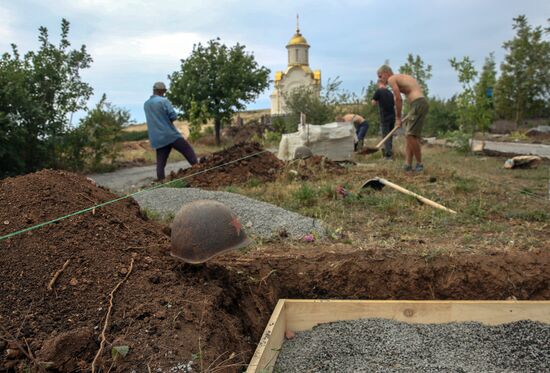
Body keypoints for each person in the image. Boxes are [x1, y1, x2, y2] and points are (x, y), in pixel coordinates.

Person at [377, 65, 429, 171]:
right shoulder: (401, 77)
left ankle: (419, 164)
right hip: (417, 104)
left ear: (386, 73)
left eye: (380, 76)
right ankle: (408, 164)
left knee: (411, 135)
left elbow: (398, 99)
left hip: (418, 103)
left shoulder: (392, 79)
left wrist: (398, 118)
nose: (380, 79)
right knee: (409, 136)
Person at [144, 82, 198, 180]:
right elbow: (173, 116)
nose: (164, 93)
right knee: (188, 151)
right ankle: (200, 171)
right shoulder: (163, 101)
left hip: (157, 139)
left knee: (160, 164)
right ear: (160, 90)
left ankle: (161, 183)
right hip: (170, 135)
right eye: (164, 91)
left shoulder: (146, 104)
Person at [371, 79, 396, 160]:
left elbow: (373, 103)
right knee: (390, 136)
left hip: (385, 117)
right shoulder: (390, 93)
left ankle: (388, 156)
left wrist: (378, 101)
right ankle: (389, 153)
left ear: (379, 83)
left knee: (385, 136)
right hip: (392, 117)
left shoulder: (379, 91)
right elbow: (393, 103)